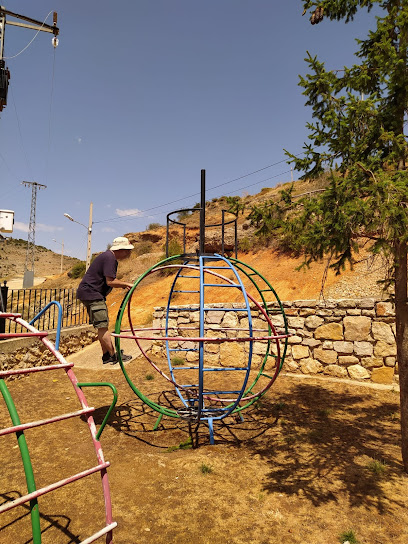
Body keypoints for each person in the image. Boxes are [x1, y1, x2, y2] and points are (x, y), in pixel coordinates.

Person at [77, 236, 134, 364]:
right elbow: (110, 282)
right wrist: (127, 284)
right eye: (127, 250)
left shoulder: (108, 256)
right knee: (103, 326)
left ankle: (107, 355)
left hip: (88, 293)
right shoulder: (110, 258)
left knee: (100, 327)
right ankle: (114, 355)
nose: (129, 253)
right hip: (92, 294)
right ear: (120, 249)